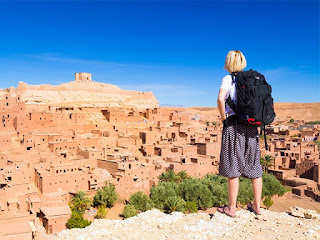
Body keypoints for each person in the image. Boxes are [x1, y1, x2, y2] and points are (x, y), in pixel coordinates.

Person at [216, 50, 263, 217]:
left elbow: (221, 99)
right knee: (254, 166)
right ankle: (257, 206)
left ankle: (231, 208)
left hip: (234, 124)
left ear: (228, 62)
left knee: (232, 166)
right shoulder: (253, 79)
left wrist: (224, 118)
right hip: (251, 126)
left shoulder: (228, 79)